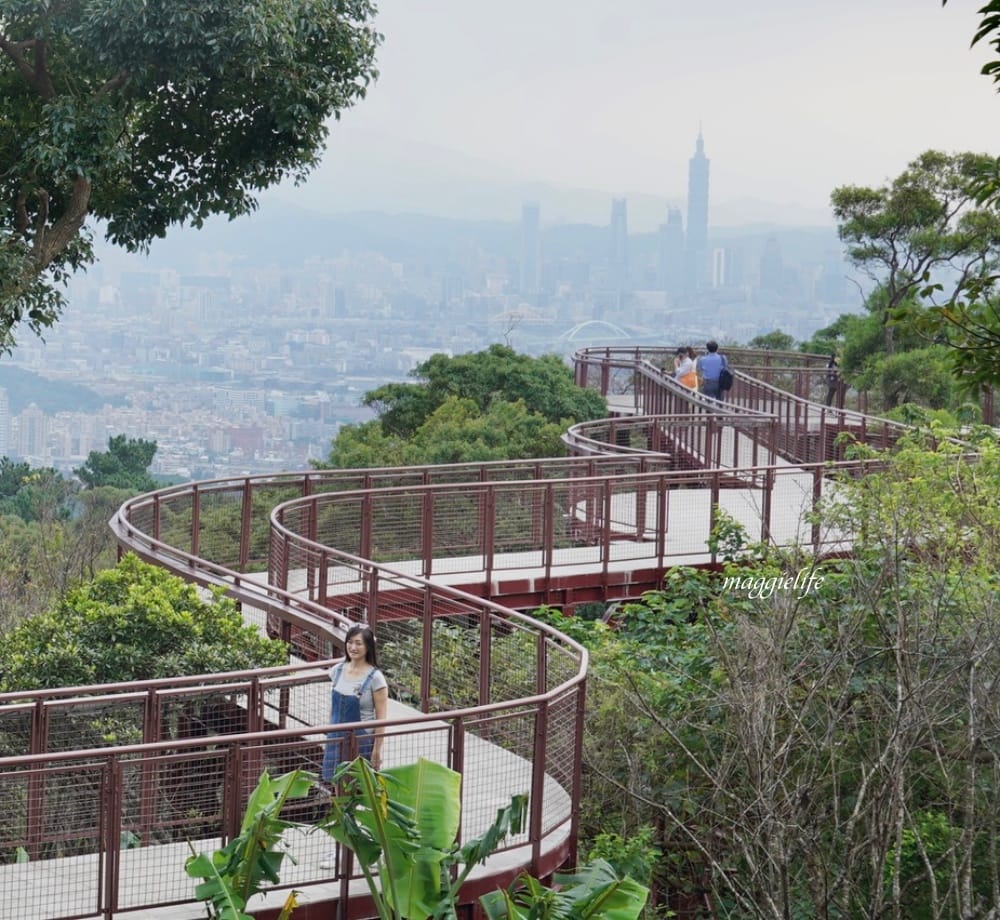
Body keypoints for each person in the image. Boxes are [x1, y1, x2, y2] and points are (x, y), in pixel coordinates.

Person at [320, 624, 388, 781]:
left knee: (358, 786)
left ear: (368, 647)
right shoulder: (337, 670)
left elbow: (382, 718)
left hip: (361, 740)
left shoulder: (375, 678)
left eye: (358, 643)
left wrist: (377, 750)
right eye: (350, 642)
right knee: (335, 781)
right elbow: (334, 707)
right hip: (335, 737)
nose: (353, 647)